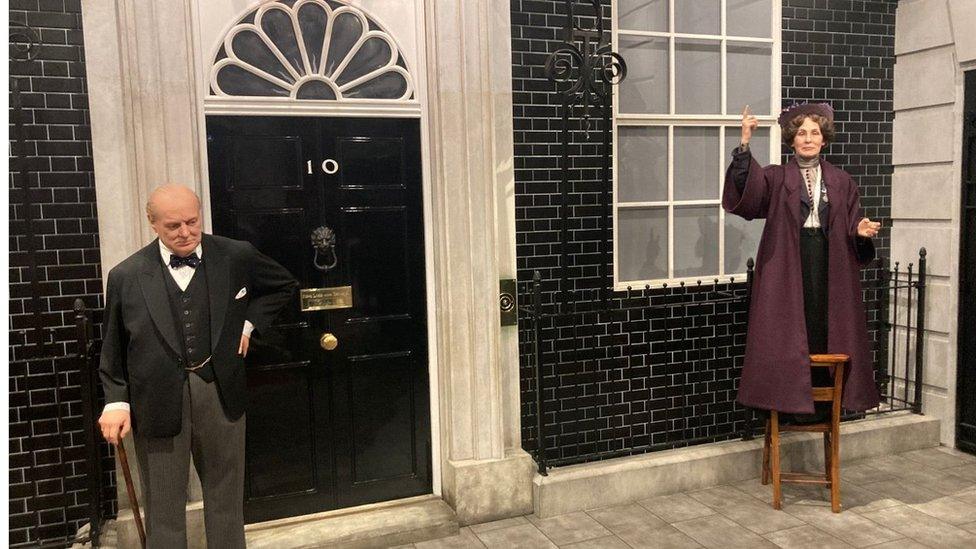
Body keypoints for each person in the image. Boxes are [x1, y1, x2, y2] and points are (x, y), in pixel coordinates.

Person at [97, 184, 297, 548]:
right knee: (163, 505)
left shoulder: (235, 255)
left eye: (193, 221)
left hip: (220, 392)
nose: (186, 233)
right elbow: (113, 347)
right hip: (155, 400)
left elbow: (283, 285)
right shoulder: (126, 275)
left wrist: (249, 323)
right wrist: (115, 401)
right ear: (152, 223)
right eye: (174, 226)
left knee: (226, 500)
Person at [723, 103, 881, 417]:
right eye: (801, 133)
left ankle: (823, 405)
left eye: (814, 133)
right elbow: (749, 195)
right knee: (789, 331)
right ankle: (787, 404)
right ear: (792, 139)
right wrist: (744, 144)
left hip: (828, 266)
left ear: (824, 139)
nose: (807, 139)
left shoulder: (842, 181)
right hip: (787, 267)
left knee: (825, 329)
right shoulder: (776, 177)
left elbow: (851, 227)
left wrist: (860, 232)